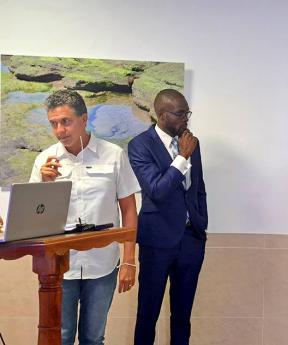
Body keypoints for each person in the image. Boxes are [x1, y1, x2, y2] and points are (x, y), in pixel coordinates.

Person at [29, 90, 140, 345]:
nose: (59, 130)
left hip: (103, 264)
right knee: (61, 337)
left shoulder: (113, 155)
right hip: (59, 268)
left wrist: (129, 261)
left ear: (84, 119)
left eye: (65, 121)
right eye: (53, 123)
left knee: (93, 338)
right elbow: (34, 218)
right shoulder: (44, 161)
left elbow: (129, 210)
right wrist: (44, 185)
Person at [128, 89, 207, 345]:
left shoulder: (192, 142)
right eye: (180, 113)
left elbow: (198, 187)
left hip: (190, 241)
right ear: (162, 115)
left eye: (187, 113)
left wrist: (200, 223)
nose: (186, 119)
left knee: (182, 316)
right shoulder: (140, 145)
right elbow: (157, 190)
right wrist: (182, 157)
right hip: (157, 242)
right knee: (148, 313)